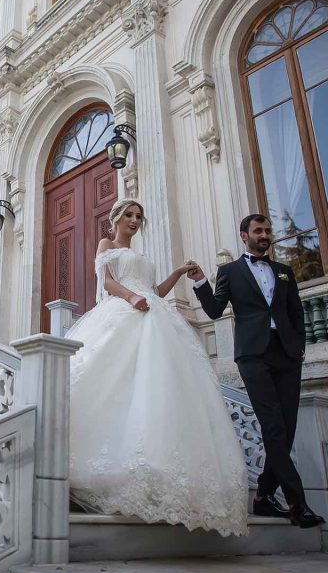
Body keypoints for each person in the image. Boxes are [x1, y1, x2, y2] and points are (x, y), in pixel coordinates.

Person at [66, 198, 248, 536]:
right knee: (112, 381)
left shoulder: (145, 258)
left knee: (157, 388)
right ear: (116, 218)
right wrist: (132, 299)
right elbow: (107, 283)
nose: (135, 220)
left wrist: (177, 273)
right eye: (129, 215)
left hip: (152, 311)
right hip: (125, 310)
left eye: (139, 217)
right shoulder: (107, 244)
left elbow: (156, 292)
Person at [186, 213, 325, 529]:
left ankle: (263, 496)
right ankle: (297, 503)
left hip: (287, 354)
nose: (264, 235)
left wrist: (299, 346)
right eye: (258, 230)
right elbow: (214, 310)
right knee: (273, 426)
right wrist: (199, 282)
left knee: (286, 429)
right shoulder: (230, 272)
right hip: (253, 354)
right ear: (243, 235)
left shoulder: (285, 272)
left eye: (267, 230)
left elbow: (296, 313)